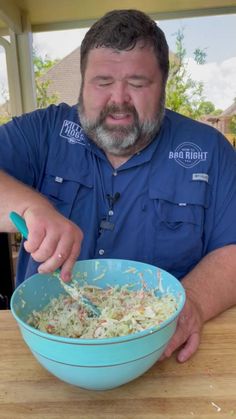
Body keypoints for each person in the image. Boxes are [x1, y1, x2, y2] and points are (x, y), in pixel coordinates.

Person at [0, 9, 236, 363]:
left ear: (163, 87)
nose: (119, 100)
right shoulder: (44, 132)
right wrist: (31, 207)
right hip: (46, 349)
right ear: (82, 83)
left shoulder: (210, 150)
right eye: (103, 82)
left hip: (164, 355)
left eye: (138, 84)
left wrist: (195, 304)